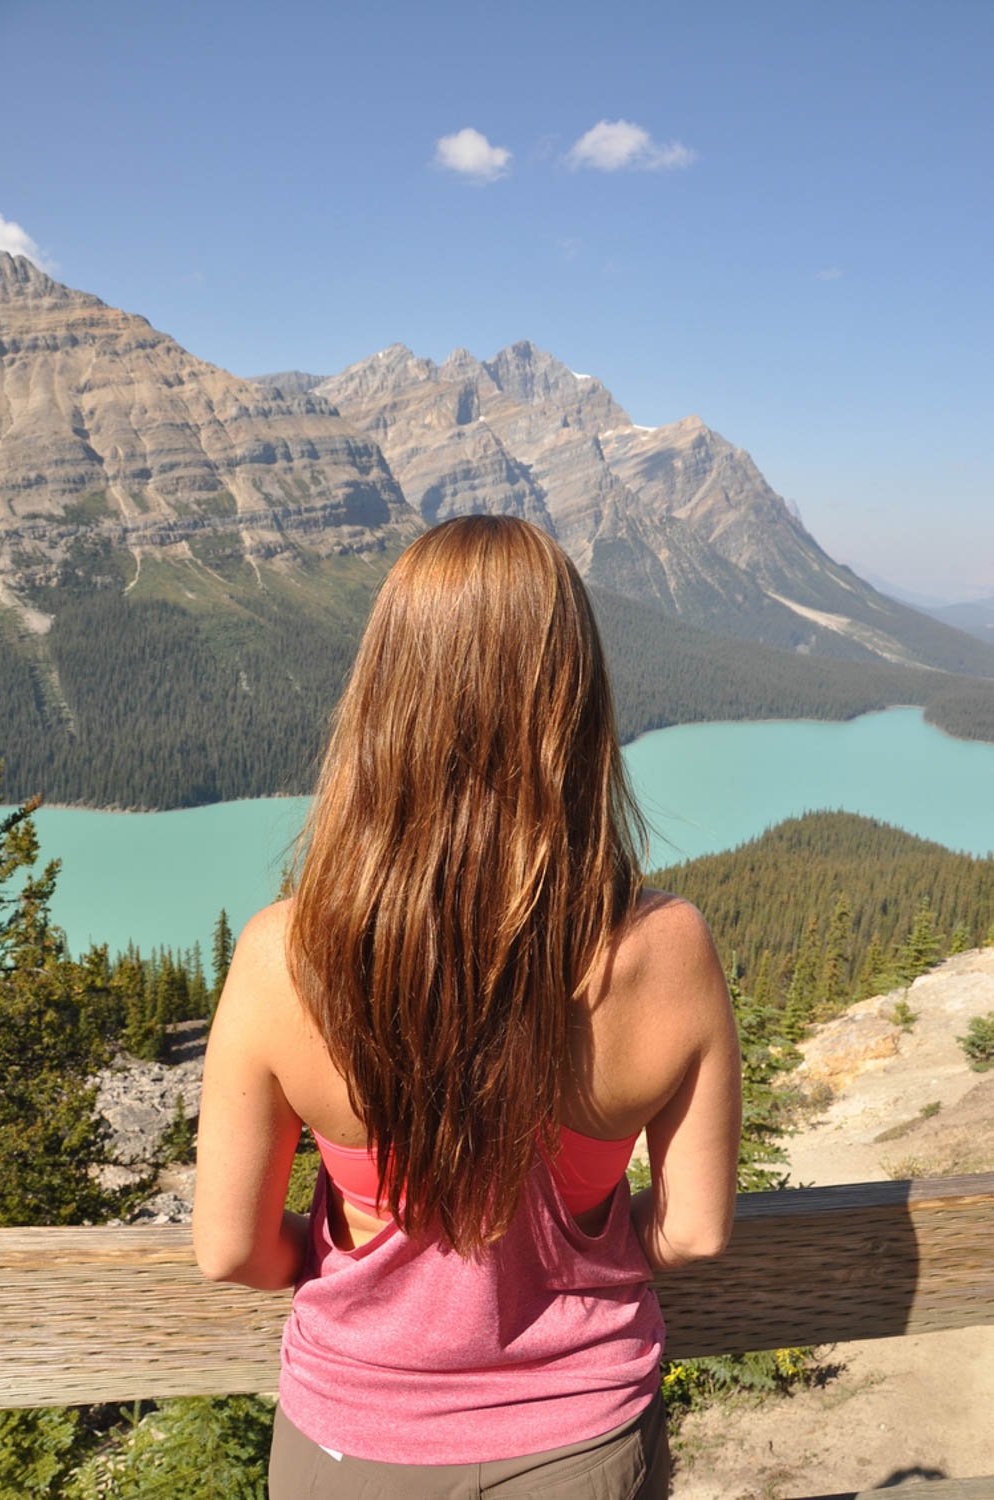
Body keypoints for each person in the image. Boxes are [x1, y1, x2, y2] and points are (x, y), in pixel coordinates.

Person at [193, 515, 742, 1499]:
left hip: (349, 1447)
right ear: (575, 702)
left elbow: (230, 1248)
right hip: (585, 1442)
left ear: (384, 697)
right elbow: (695, 1232)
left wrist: (347, 1255)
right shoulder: (668, 948)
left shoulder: (285, 955)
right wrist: (581, 1243)